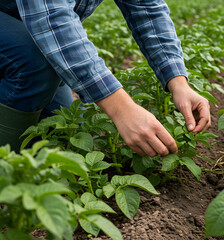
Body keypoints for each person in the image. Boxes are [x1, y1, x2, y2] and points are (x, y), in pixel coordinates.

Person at [0, 0, 211, 155]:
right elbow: (52, 19)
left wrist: (178, 82)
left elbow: (148, 9)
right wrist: (121, 109)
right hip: (23, 27)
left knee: (63, 126)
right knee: (31, 64)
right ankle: (6, 186)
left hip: (24, 27)